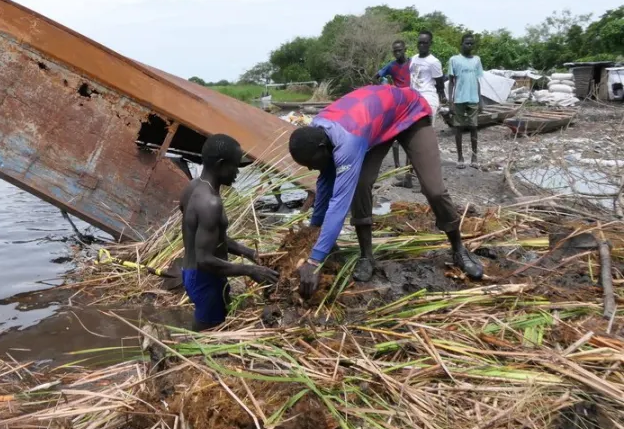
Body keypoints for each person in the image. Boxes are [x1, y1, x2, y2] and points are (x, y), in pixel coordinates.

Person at [287, 84, 484, 298]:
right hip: (379, 124)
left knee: (433, 189)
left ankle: (458, 249)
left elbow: (339, 204)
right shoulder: (317, 130)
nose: (308, 168)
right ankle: (366, 256)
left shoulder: (347, 143)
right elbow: (325, 179)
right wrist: (313, 229)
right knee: (361, 183)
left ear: (321, 149)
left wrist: (315, 261)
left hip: (410, 113)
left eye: (309, 163)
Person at [180, 134, 280, 330]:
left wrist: (249, 253)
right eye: (235, 166)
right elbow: (205, 259)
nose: (237, 172)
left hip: (191, 272)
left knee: (218, 318)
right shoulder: (211, 203)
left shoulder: (192, 188)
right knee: (206, 337)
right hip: (205, 278)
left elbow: (208, 238)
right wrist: (249, 270)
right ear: (220, 164)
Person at [375, 40, 412, 176]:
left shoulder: (412, 64)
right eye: (395, 51)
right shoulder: (391, 66)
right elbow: (377, 76)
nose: (397, 53)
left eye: (399, 50)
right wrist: (385, 89)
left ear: (404, 49)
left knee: (410, 136)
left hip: (412, 102)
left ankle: (409, 170)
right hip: (398, 103)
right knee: (395, 136)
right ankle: (397, 167)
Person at [448, 33, 485, 169]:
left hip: (473, 98)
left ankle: (474, 156)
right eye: (467, 43)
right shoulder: (454, 60)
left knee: (474, 127)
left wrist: (480, 100)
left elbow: (477, 80)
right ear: (462, 44)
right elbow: (451, 82)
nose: (469, 45)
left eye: (471, 43)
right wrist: (450, 101)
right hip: (459, 99)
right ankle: (460, 157)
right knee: (458, 128)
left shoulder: (477, 60)